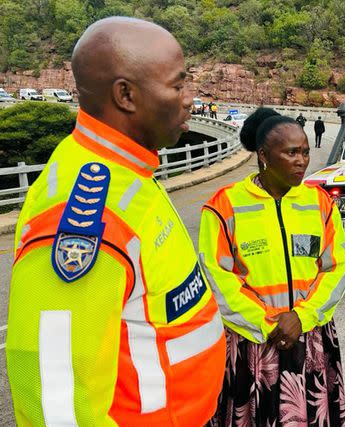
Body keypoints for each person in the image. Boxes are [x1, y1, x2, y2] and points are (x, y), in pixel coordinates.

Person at [5, 17, 226, 426]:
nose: (190, 98)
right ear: (126, 95)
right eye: (177, 86)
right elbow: (56, 407)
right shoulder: (82, 217)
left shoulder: (129, 170)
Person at [199, 107, 345, 426]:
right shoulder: (223, 205)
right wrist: (266, 322)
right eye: (292, 152)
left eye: (306, 152)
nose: (302, 160)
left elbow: (337, 267)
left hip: (309, 336)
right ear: (264, 155)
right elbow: (217, 278)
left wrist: (303, 316)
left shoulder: (320, 203)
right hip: (252, 342)